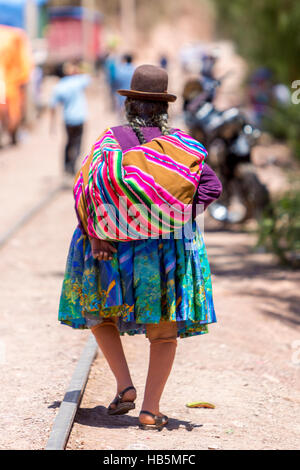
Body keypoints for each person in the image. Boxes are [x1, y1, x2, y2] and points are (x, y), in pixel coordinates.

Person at [58, 65, 222, 430]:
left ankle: (124, 385)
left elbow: (84, 189)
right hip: (165, 250)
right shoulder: (181, 146)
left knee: (98, 313)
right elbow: (212, 188)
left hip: (111, 248)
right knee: (162, 332)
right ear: (164, 109)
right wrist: (175, 216)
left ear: (130, 104)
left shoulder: (110, 142)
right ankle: (150, 409)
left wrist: (97, 232)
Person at [50, 60, 91, 175]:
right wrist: (78, 70)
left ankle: (66, 165)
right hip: (80, 118)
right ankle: (72, 165)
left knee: (68, 142)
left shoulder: (59, 87)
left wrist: (52, 125)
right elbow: (89, 77)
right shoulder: (78, 81)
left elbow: (52, 106)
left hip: (68, 119)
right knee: (77, 143)